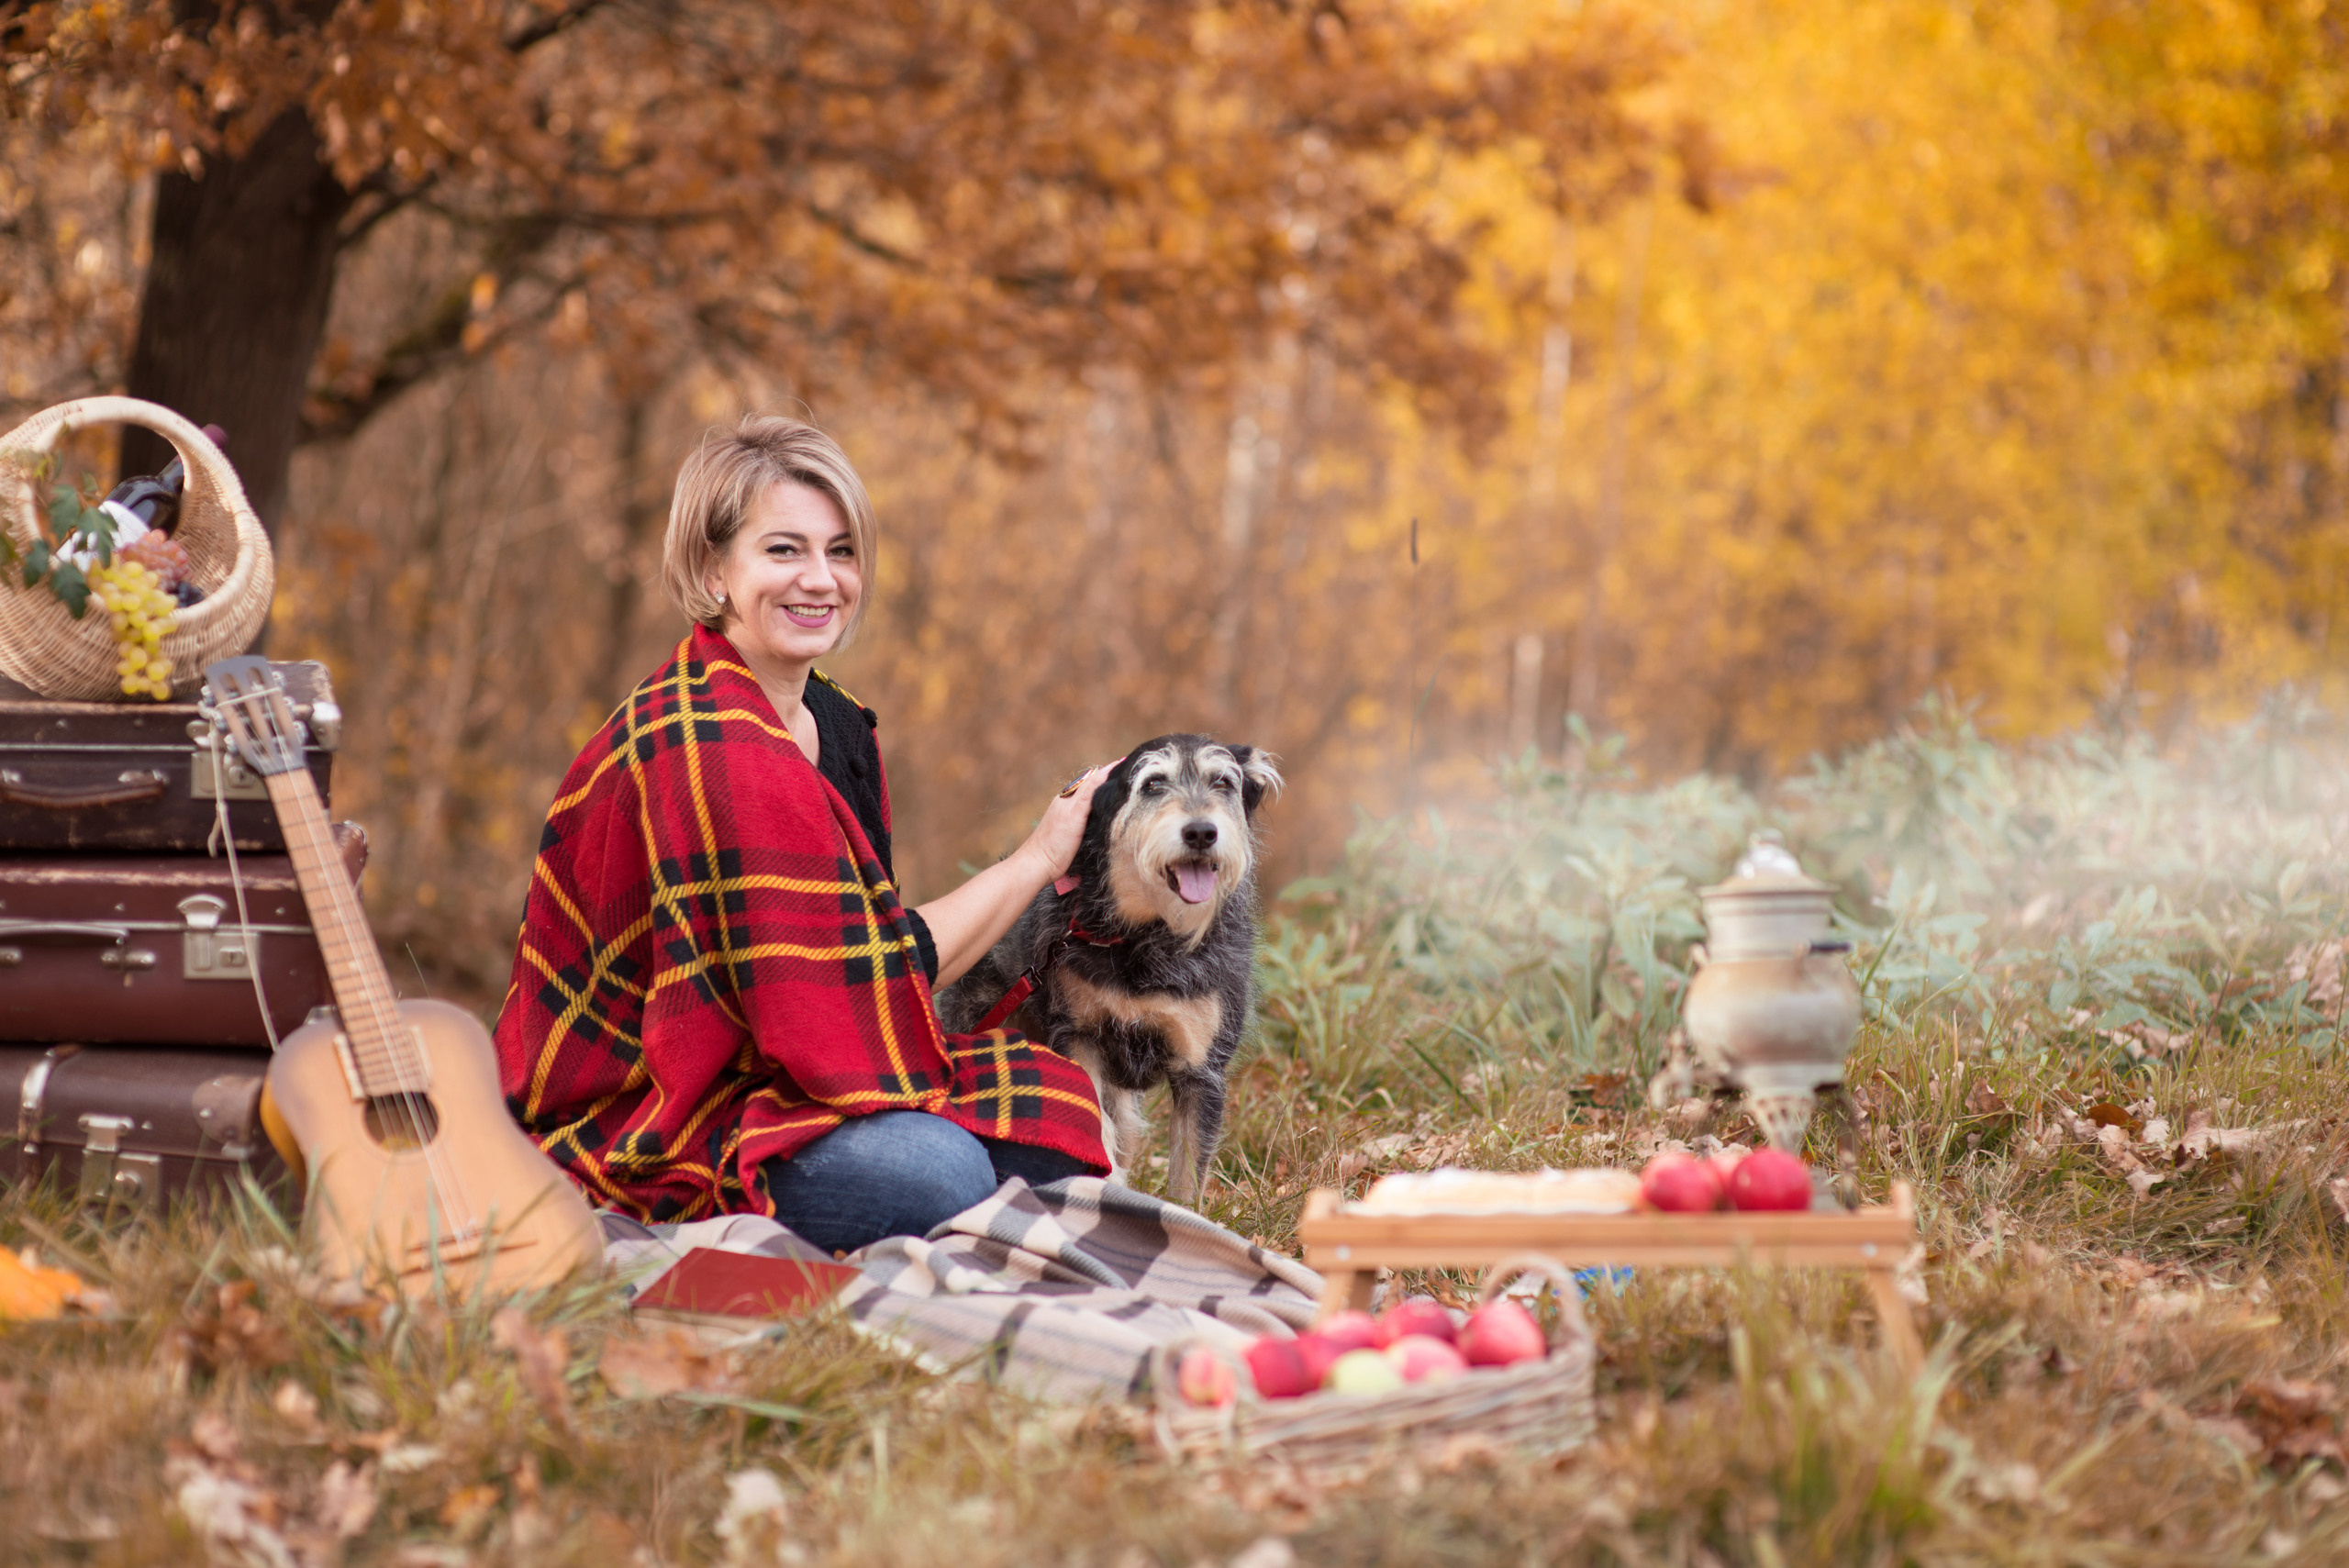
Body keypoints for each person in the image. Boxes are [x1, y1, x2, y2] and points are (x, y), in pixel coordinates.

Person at [494, 414, 1114, 1252]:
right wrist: (1034, 859)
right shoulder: (711, 749)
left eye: (841, 551)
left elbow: (862, 967)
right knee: (942, 1174)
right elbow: (859, 992)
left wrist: (1045, 855)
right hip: (651, 1110)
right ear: (714, 568)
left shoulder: (832, 722)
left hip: (771, 1076)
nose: (821, 579)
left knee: (1057, 1110)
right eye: (784, 550)